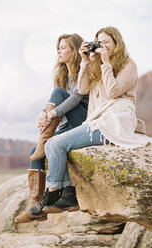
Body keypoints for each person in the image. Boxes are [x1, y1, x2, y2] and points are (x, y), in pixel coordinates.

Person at [28, 26, 152, 218]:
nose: (102, 46)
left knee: (57, 143)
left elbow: (113, 92)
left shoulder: (128, 65)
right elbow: (83, 89)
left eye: (106, 42)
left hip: (114, 120)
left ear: (116, 44)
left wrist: (105, 62)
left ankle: (52, 194)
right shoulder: (95, 65)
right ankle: (66, 194)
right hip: (97, 120)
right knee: (52, 143)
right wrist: (86, 61)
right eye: (99, 42)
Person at [14, 33, 89, 224]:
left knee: (58, 94)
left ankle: (44, 139)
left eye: (63, 47)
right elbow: (52, 103)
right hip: (66, 125)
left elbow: (73, 100)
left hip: (83, 122)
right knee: (35, 152)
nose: (59, 51)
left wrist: (51, 114)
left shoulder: (85, 70)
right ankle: (36, 205)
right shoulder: (62, 76)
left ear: (74, 50)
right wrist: (44, 113)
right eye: (58, 47)